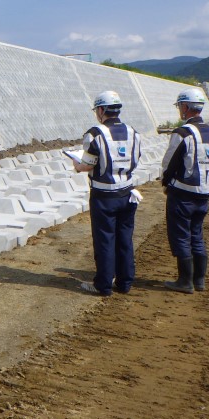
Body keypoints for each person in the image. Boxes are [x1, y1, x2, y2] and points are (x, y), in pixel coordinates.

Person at [73, 91, 142, 296]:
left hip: (104, 196)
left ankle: (103, 285)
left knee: (105, 240)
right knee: (125, 239)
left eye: (97, 110)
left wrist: (77, 164)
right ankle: (125, 282)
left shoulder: (95, 134)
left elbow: (87, 164)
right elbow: (136, 158)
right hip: (127, 193)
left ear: (102, 110)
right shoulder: (133, 132)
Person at [161, 87, 209, 293]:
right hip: (204, 192)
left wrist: (166, 183)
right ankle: (199, 280)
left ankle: (185, 281)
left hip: (182, 193)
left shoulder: (183, 133)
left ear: (185, 107)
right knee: (197, 234)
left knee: (181, 235)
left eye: (180, 106)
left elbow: (169, 163)